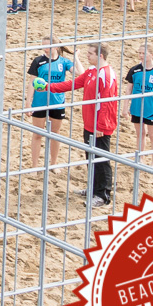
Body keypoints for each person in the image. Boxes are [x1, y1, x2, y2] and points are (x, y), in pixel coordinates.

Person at [41, 42, 119, 207]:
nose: (87, 56)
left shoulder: (106, 74)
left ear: (101, 56)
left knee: (101, 159)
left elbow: (107, 102)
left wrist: (101, 125)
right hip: (90, 121)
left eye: (90, 53)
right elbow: (72, 84)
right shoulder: (92, 71)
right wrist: (49, 87)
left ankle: (103, 195)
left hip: (100, 125)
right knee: (91, 157)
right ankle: (93, 188)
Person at [26, 45, 74, 169]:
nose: (44, 48)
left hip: (57, 102)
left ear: (56, 47)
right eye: (43, 45)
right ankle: (35, 166)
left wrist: (77, 57)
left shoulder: (64, 62)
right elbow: (32, 83)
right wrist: (28, 103)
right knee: (37, 134)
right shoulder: (38, 61)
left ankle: (53, 164)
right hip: (39, 102)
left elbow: (79, 73)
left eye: (48, 46)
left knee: (55, 133)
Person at [126, 43, 153, 171]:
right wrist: (125, 107)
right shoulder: (134, 70)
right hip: (137, 108)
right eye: (139, 53)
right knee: (140, 134)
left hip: (152, 109)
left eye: (144, 53)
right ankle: (140, 158)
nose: (141, 55)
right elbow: (129, 89)